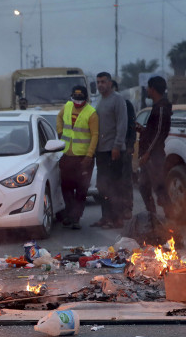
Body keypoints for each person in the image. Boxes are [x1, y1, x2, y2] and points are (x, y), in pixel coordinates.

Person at [55, 85, 99, 230]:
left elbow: (95, 136)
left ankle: (76, 218)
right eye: (75, 98)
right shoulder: (67, 106)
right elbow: (59, 117)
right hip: (67, 155)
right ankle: (70, 214)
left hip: (83, 158)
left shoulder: (91, 113)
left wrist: (89, 155)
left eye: (80, 99)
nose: (77, 102)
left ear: (86, 99)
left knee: (81, 190)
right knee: (66, 187)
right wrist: (60, 131)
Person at [91, 72, 128, 228]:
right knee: (102, 186)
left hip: (113, 150)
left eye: (103, 82)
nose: (100, 85)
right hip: (100, 151)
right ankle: (105, 217)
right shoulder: (97, 101)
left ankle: (117, 219)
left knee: (115, 186)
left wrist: (117, 146)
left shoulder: (118, 100)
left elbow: (122, 124)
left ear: (110, 83)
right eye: (98, 82)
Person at [136, 76, 173, 214]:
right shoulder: (157, 107)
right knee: (144, 186)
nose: (147, 90)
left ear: (152, 89)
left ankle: (171, 219)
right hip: (151, 154)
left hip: (154, 156)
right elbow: (154, 131)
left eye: (148, 87)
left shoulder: (162, 108)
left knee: (159, 188)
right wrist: (142, 130)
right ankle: (152, 216)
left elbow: (159, 133)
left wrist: (147, 153)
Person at [111, 80, 136, 220]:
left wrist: (130, 145)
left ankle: (127, 208)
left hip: (124, 148)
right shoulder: (104, 105)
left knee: (125, 180)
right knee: (112, 181)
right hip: (109, 149)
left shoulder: (126, 105)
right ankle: (116, 209)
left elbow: (131, 125)